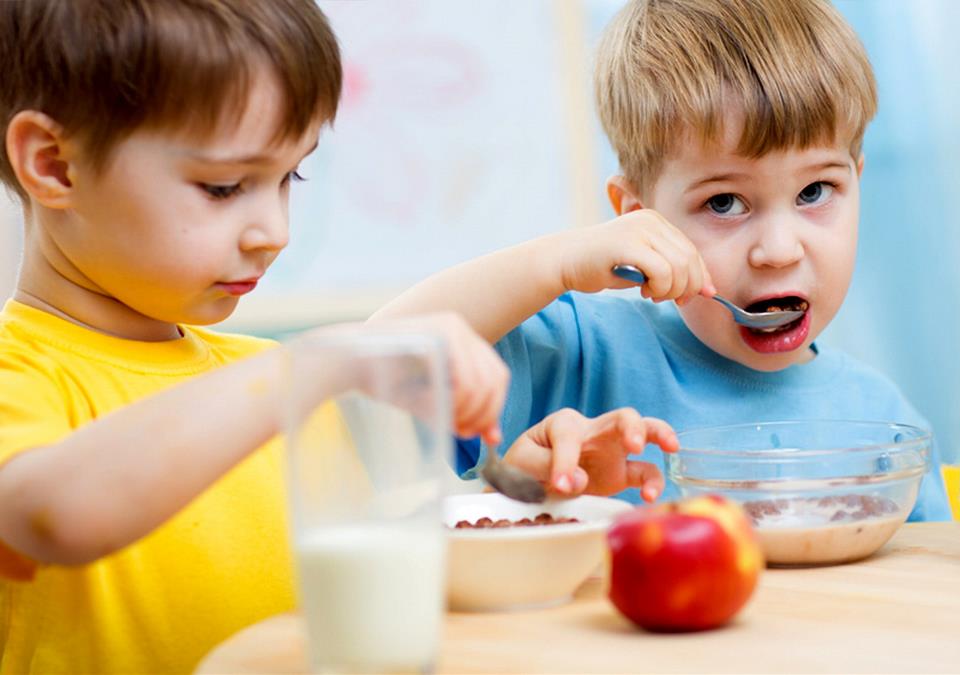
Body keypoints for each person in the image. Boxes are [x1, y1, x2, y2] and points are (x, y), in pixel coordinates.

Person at [0, 2, 664, 672]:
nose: (275, 230)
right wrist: (315, 365)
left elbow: (384, 566)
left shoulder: (263, 376)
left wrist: (524, 495)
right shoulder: (20, 374)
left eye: (290, 176)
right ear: (55, 165)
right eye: (225, 186)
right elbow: (53, 513)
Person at [376, 0, 951, 517]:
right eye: (724, 202)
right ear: (637, 214)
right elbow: (374, 360)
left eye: (815, 192)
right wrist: (552, 263)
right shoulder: (579, 353)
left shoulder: (888, 428)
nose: (778, 250)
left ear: (858, 183)